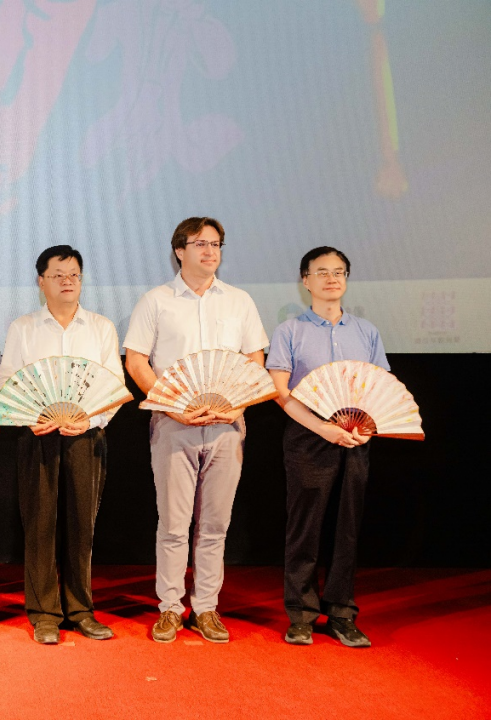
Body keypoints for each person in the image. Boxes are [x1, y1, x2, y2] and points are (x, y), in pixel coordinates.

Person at [124, 217, 268, 644]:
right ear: (179, 250)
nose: (210, 251)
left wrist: (237, 404)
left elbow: (254, 359)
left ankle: (206, 607)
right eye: (200, 243)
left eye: (216, 244)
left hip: (228, 426)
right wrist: (174, 406)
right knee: (173, 524)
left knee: (215, 525)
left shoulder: (239, 301)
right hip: (174, 424)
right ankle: (170, 607)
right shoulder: (156, 301)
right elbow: (136, 361)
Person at [0, 245, 123, 645]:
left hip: (87, 436)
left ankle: (81, 610)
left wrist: (91, 419)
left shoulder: (101, 327)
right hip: (38, 437)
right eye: (58, 275)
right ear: (41, 281)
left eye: (74, 275)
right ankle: (44, 614)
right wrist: (30, 416)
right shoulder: (23, 327)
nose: (68, 281)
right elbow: (6, 381)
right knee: (39, 525)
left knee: (82, 526)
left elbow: (114, 386)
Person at [267, 247, 387, 648]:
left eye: (339, 272)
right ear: (305, 280)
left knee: (347, 526)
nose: (332, 279)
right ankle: (301, 614)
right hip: (308, 435)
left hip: (357, 437)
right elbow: (280, 392)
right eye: (322, 272)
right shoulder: (289, 331)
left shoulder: (366, 331)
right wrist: (322, 428)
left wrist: (366, 429)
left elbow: (380, 387)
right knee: (305, 526)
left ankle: (341, 613)